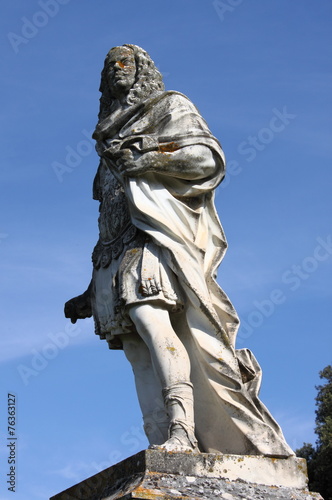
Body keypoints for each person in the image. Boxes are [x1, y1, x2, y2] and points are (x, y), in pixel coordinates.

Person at [65, 44, 294, 456]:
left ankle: (183, 431)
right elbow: (110, 214)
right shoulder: (107, 136)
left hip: (153, 243)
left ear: (141, 70)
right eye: (110, 66)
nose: (117, 69)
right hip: (112, 255)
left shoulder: (169, 106)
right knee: (135, 349)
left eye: (125, 63)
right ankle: (160, 441)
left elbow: (206, 158)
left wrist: (147, 155)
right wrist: (89, 289)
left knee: (154, 327)